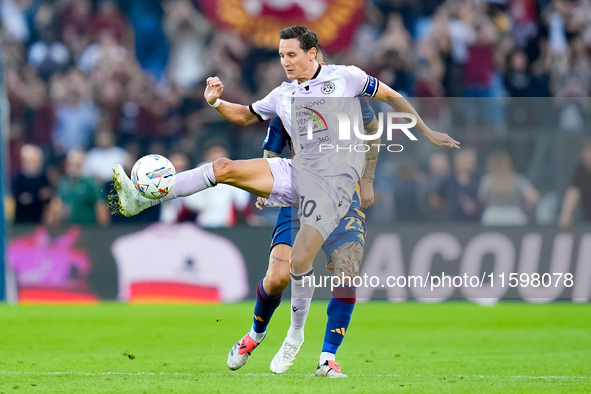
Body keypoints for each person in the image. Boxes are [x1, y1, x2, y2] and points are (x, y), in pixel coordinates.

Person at [112, 25, 458, 375]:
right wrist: (216, 102)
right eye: (281, 56)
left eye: (291, 54)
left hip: (338, 191)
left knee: (345, 268)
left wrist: (424, 132)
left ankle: (320, 353)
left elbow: (389, 98)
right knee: (226, 171)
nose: (285, 62)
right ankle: (144, 200)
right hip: (298, 177)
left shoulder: (347, 80)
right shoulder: (283, 95)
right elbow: (246, 115)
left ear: (312, 53)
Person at [226, 67, 379, 376]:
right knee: (278, 277)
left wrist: (368, 180)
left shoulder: (350, 95)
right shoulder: (288, 102)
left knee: (348, 268)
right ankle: (256, 333)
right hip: (299, 198)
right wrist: (266, 187)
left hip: (342, 196)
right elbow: (272, 151)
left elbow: (372, 132)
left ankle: (327, 357)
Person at [558, 140, 591, 227]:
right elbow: (573, 192)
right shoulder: (580, 170)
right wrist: (565, 214)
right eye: (585, 153)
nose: (587, 156)